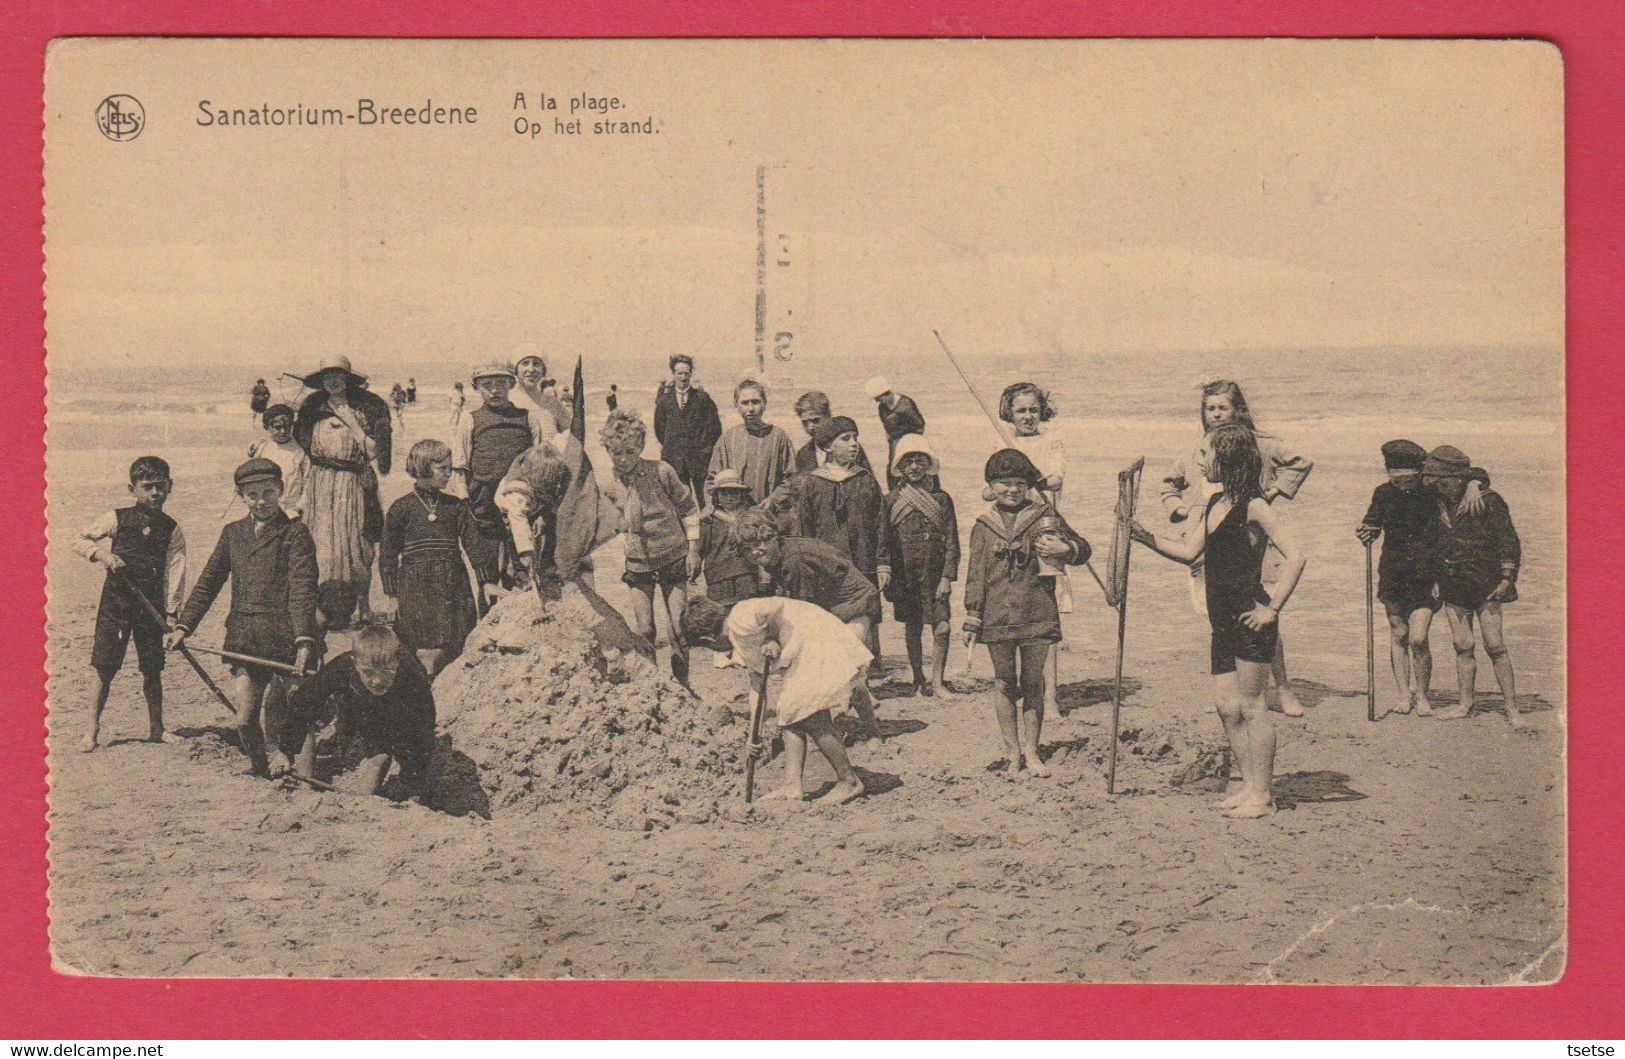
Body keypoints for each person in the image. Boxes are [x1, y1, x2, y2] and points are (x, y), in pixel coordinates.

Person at [1131, 424, 1307, 819]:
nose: (1199, 460)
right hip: (1222, 621)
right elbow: (1191, 552)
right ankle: (1248, 788)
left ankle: (1262, 796)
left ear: (1226, 459)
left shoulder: (1255, 506)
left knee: (1252, 705)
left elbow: (1296, 556)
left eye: (1205, 454)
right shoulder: (1214, 504)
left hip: (1250, 617)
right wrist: (1145, 538)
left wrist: (1272, 609)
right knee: (1226, 707)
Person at [1159, 380, 1312, 716]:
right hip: (1207, 538)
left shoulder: (1259, 444)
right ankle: (1234, 688)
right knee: (1218, 615)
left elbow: (1300, 462)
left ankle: (1283, 688)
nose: (1216, 414)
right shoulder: (1198, 449)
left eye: (1223, 408)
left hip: (1250, 537)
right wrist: (1178, 509)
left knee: (1261, 612)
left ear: (1238, 410)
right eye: (1209, 409)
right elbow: (1169, 482)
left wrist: (1271, 494)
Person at [169, 459, 320, 778]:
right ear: (241, 496)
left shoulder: (295, 533)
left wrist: (305, 640)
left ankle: (307, 779)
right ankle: (262, 769)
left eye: (268, 492)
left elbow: (303, 589)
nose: (262, 501)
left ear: (281, 490)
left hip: (287, 638)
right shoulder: (232, 533)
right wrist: (184, 626)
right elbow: (209, 581)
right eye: (253, 495)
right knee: (244, 720)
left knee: (294, 715)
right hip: (245, 637)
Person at [962, 449, 1090, 778]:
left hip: (1037, 609)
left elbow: (1083, 548)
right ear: (990, 486)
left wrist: (1066, 549)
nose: (1012, 490)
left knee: (1034, 682)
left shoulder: (1044, 515)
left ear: (1029, 486)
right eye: (1004, 483)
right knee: (1004, 683)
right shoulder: (984, 525)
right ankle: (1012, 753)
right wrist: (972, 615)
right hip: (996, 614)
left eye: (1020, 483)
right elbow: (975, 573)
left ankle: (1032, 752)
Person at [681, 595, 870, 805]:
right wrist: (754, 735)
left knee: (811, 716)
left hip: (815, 640)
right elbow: (757, 690)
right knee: (788, 713)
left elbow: (775, 605)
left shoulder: (740, 618)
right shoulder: (740, 642)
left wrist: (772, 636)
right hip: (804, 651)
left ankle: (849, 781)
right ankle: (792, 786)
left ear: (709, 640)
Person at [74, 456, 188, 751]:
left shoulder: (171, 528)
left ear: (170, 487)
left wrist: (172, 614)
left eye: (161, 487)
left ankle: (156, 728)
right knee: (105, 667)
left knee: (152, 669)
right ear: (132, 488)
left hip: (150, 608)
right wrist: (104, 556)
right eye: (147, 487)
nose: (155, 493)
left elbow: (176, 571)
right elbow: (80, 539)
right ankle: (91, 731)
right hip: (116, 604)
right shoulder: (117, 518)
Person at [764, 415, 886, 670]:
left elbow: (880, 526)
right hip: (828, 568)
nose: (854, 444)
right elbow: (804, 533)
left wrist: (883, 564)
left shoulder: (865, 480)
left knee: (865, 617)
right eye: (846, 439)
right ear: (828, 447)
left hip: (863, 562)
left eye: (855, 438)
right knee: (830, 621)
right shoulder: (813, 483)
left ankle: (865, 675)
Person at [1422, 446, 1524, 727]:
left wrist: (1506, 579)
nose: (1436, 485)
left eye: (1442, 479)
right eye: (1434, 480)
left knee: (1496, 646)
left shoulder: (1489, 501)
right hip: (1452, 585)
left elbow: (1509, 542)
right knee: (1462, 645)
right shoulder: (1434, 500)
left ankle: (1512, 709)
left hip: (1487, 584)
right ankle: (1465, 703)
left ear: (1457, 478)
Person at [277, 624, 436, 802]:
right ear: (355, 662)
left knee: (381, 755)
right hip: (357, 702)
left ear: (397, 662)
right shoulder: (343, 666)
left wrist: (413, 786)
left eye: (387, 671)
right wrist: (286, 751)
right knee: (307, 713)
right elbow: (302, 702)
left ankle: (367, 798)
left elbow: (422, 739)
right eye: (368, 672)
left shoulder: (414, 682)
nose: (377, 680)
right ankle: (304, 786)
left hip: (396, 708)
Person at [599, 409, 701, 683]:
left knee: (679, 628)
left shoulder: (661, 471)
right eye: (616, 453)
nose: (623, 460)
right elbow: (605, 525)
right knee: (644, 629)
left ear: (641, 446)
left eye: (630, 452)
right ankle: (655, 684)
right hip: (638, 563)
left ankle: (683, 685)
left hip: (673, 556)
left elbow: (689, 508)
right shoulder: (608, 485)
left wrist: (694, 549)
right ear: (608, 449)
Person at [293, 354, 393, 628]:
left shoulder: (366, 408)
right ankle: (322, 607)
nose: (333, 381)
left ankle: (363, 606)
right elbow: (298, 446)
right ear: (322, 380)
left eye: (338, 375)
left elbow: (375, 451)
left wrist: (351, 422)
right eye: (328, 376)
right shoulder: (312, 409)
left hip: (355, 483)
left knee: (359, 546)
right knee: (320, 544)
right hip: (321, 484)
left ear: (348, 379)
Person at [379, 439, 482, 677]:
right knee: (419, 649)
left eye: (450, 467)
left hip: (452, 584)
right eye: (442, 469)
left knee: (453, 646)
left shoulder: (455, 506)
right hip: (416, 587)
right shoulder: (401, 508)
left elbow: (474, 546)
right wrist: (391, 594)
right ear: (424, 468)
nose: (449, 474)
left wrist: (486, 580)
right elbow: (388, 554)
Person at [1355, 440, 1443, 715]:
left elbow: (1467, 477)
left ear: (1418, 474)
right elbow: (1373, 522)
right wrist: (1366, 531)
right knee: (1399, 634)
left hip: (1426, 574)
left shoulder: (1432, 493)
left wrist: (1476, 486)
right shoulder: (1383, 493)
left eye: (1407, 479)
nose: (1402, 485)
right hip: (1393, 573)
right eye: (1396, 479)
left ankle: (1424, 696)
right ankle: (1404, 695)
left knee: (1418, 638)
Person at [1000, 381, 1070, 708]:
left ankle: (1051, 696)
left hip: (1044, 527)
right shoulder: (1003, 441)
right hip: (1011, 529)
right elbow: (988, 490)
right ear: (1009, 413)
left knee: (1047, 613)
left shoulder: (1052, 440)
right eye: (1021, 410)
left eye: (1033, 409)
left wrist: (1033, 477)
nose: (1028, 416)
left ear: (1042, 410)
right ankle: (1019, 690)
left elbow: (1056, 478)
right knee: (1012, 605)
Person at [880, 436, 959, 697]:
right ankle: (918, 679)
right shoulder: (891, 500)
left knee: (943, 627)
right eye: (908, 461)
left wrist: (948, 577)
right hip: (906, 576)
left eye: (920, 460)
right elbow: (883, 542)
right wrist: (886, 571)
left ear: (929, 465)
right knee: (912, 627)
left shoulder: (942, 500)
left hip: (935, 575)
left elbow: (952, 543)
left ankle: (938, 682)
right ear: (900, 467)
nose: (914, 466)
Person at [454, 362, 540, 590]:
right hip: (482, 497)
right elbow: (460, 463)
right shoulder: (470, 419)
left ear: (511, 384)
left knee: (521, 559)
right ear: (476, 388)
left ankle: (522, 607)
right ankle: (489, 613)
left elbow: (539, 462)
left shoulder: (528, 418)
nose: (494, 390)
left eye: (501, 384)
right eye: (487, 385)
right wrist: (463, 500)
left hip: (519, 498)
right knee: (488, 562)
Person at [706, 378, 795, 505]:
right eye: (745, 403)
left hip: (769, 515)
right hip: (734, 516)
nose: (751, 408)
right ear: (736, 405)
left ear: (764, 403)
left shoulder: (778, 437)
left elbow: (791, 478)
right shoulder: (727, 439)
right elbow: (712, 481)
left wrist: (773, 499)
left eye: (755, 402)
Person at [653, 354, 723, 504]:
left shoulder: (702, 398)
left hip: (699, 460)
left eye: (686, 373)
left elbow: (715, 428)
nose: (683, 377)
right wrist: (672, 446)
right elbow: (659, 430)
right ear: (673, 374)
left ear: (691, 373)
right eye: (679, 373)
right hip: (674, 460)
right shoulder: (664, 401)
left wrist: (705, 451)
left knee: (706, 500)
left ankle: (706, 527)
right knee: (681, 503)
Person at [694, 469, 761, 607]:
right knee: (720, 612)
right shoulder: (709, 520)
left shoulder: (752, 515)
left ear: (742, 495)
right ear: (716, 496)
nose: (729, 498)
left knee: (748, 609)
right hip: (717, 576)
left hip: (746, 572)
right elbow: (698, 547)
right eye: (723, 494)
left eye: (734, 493)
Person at [245, 404, 309, 521]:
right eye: (277, 427)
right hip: (264, 508)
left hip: (291, 511)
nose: (283, 431)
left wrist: (299, 508)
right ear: (267, 427)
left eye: (287, 426)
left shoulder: (300, 452)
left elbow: (308, 482)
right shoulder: (262, 448)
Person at [865, 376, 927, 490]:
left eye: (878, 398)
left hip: (910, 442)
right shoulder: (882, 407)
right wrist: (891, 440)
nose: (877, 401)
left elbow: (920, 425)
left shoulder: (905, 405)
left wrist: (907, 441)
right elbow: (885, 425)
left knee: (909, 466)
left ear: (885, 394)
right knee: (892, 468)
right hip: (894, 442)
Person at [791, 391, 875, 475]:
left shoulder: (850, 448)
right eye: (805, 422)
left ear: (828, 416)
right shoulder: (803, 454)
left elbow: (869, 482)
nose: (810, 427)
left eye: (815, 420)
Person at [512, 354, 570, 435]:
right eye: (525, 363)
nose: (531, 369)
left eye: (536, 364)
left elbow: (571, 435)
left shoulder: (553, 403)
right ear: (516, 370)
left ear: (543, 371)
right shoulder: (507, 401)